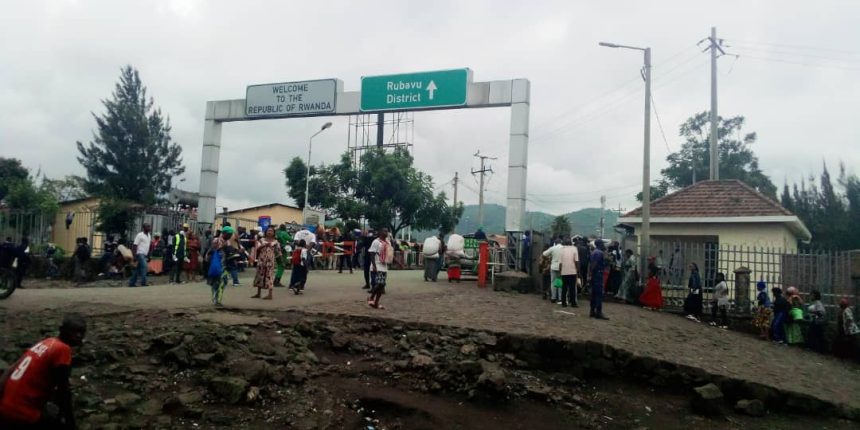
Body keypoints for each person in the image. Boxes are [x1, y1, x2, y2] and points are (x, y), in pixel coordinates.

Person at [0, 313, 87, 429]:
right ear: (62, 330)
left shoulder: (47, 342)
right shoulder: (63, 349)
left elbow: (11, 369)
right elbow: (63, 391)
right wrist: (70, 423)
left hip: (5, 405)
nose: (78, 336)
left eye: (81, 332)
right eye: (74, 332)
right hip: (22, 412)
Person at [251, 226, 281, 300]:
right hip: (261, 260)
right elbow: (257, 249)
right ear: (266, 232)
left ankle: (270, 295)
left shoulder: (276, 242)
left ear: (274, 233)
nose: (269, 232)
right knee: (259, 275)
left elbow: (279, 252)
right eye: (268, 231)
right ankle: (258, 293)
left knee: (269, 276)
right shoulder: (261, 240)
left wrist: (279, 260)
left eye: (271, 231)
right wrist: (263, 245)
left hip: (270, 260)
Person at [206, 227, 233, 306]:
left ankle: (218, 300)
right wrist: (222, 247)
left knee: (223, 282)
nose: (230, 236)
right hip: (217, 264)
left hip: (224, 265)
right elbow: (212, 251)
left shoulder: (227, 242)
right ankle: (215, 298)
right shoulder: (216, 240)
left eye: (231, 234)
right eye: (229, 234)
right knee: (215, 283)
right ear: (224, 233)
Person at [367, 228, 392, 309]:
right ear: (380, 232)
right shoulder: (376, 242)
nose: (386, 232)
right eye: (384, 231)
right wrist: (374, 265)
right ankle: (371, 297)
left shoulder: (388, 242)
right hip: (377, 265)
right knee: (380, 283)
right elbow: (372, 254)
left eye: (387, 231)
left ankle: (376, 302)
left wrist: (399, 262)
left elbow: (390, 253)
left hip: (384, 266)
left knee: (382, 286)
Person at [588, 240, 609, 320]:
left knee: (594, 294)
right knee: (599, 294)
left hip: (595, 274)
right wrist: (591, 274)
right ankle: (598, 312)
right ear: (600, 244)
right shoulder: (599, 253)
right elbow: (594, 264)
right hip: (597, 274)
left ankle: (592, 311)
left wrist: (590, 274)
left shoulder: (594, 252)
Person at [558, 237, 579, 307]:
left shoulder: (561, 250)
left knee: (564, 288)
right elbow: (576, 261)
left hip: (564, 271)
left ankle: (564, 303)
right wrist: (577, 270)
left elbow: (560, 263)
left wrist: (560, 271)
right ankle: (573, 303)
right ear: (571, 243)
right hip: (572, 271)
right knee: (572, 288)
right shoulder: (574, 249)